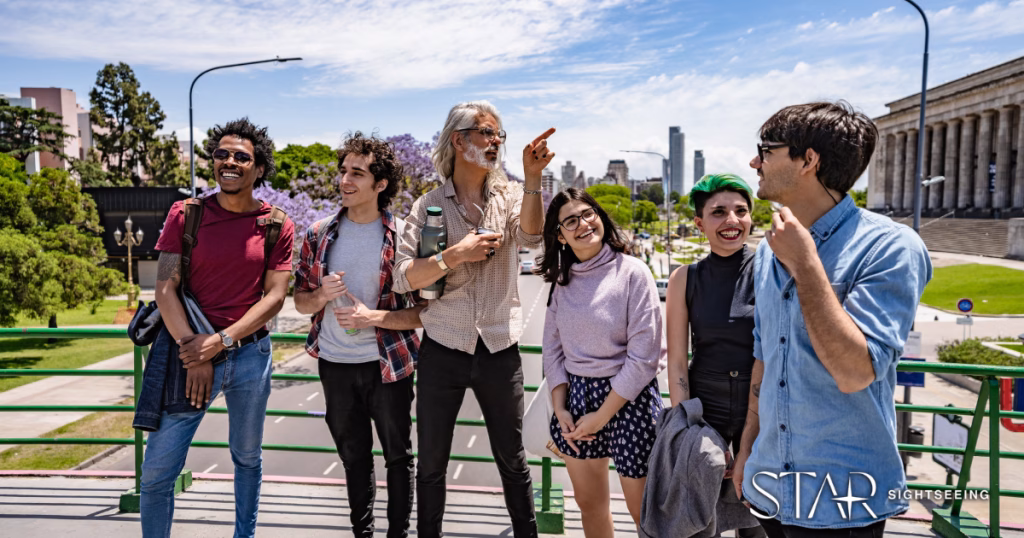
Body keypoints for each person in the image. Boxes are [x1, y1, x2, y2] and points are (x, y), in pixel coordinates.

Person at [734, 101, 931, 537]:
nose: (754, 163)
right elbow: (765, 357)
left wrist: (806, 265)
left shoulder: (890, 246)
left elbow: (854, 372)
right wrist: (748, 447)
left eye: (766, 151)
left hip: (844, 498)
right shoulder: (769, 249)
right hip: (770, 486)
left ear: (808, 160)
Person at [392, 101, 551, 538]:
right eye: (486, 132)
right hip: (443, 347)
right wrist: (454, 255)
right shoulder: (428, 205)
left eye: (499, 134)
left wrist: (532, 179)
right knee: (431, 464)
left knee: (513, 460)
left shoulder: (511, 196)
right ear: (459, 141)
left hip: (499, 347)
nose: (496, 141)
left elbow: (533, 237)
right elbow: (403, 277)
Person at [140, 118, 294, 538]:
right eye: (221, 154)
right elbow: (165, 287)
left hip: (249, 358)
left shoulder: (277, 224)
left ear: (258, 169)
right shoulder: (185, 214)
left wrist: (221, 342)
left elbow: (275, 297)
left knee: (247, 457)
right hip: (188, 355)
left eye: (241, 157)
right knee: (157, 472)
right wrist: (196, 354)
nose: (229, 162)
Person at [293, 133, 424, 538]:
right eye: (343, 171)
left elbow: (426, 311)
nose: (344, 180)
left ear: (380, 184)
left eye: (357, 173)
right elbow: (300, 302)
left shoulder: (405, 238)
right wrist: (320, 295)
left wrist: (374, 318)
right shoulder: (318, 234)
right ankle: (362, 533)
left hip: (388, 365)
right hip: (335, 365)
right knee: (353, 458)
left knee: (398, 457)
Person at [538, 188, 666, 535]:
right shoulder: (562, 283)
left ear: (600, 217)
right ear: (560, 236)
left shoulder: (633, 272)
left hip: (629, 400)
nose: (583, 224)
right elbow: (553, 351)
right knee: (590, 505)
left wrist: (602, 415)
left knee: (644, 513)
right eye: (570, 221)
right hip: (577, 400)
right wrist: (560, 408)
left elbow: (644, 357)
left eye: (588, 214)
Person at [666, 174, 765, 538]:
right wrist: (689, 428)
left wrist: (751, 435)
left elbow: (772, 354)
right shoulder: (684, 278)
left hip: (762, 407)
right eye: (718, 212)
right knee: (699, 522)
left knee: (758, 522)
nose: (732, 220)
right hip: (705, 409)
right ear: (699, 223)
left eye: (741, 211)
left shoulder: (771, 272)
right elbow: (677, 360)